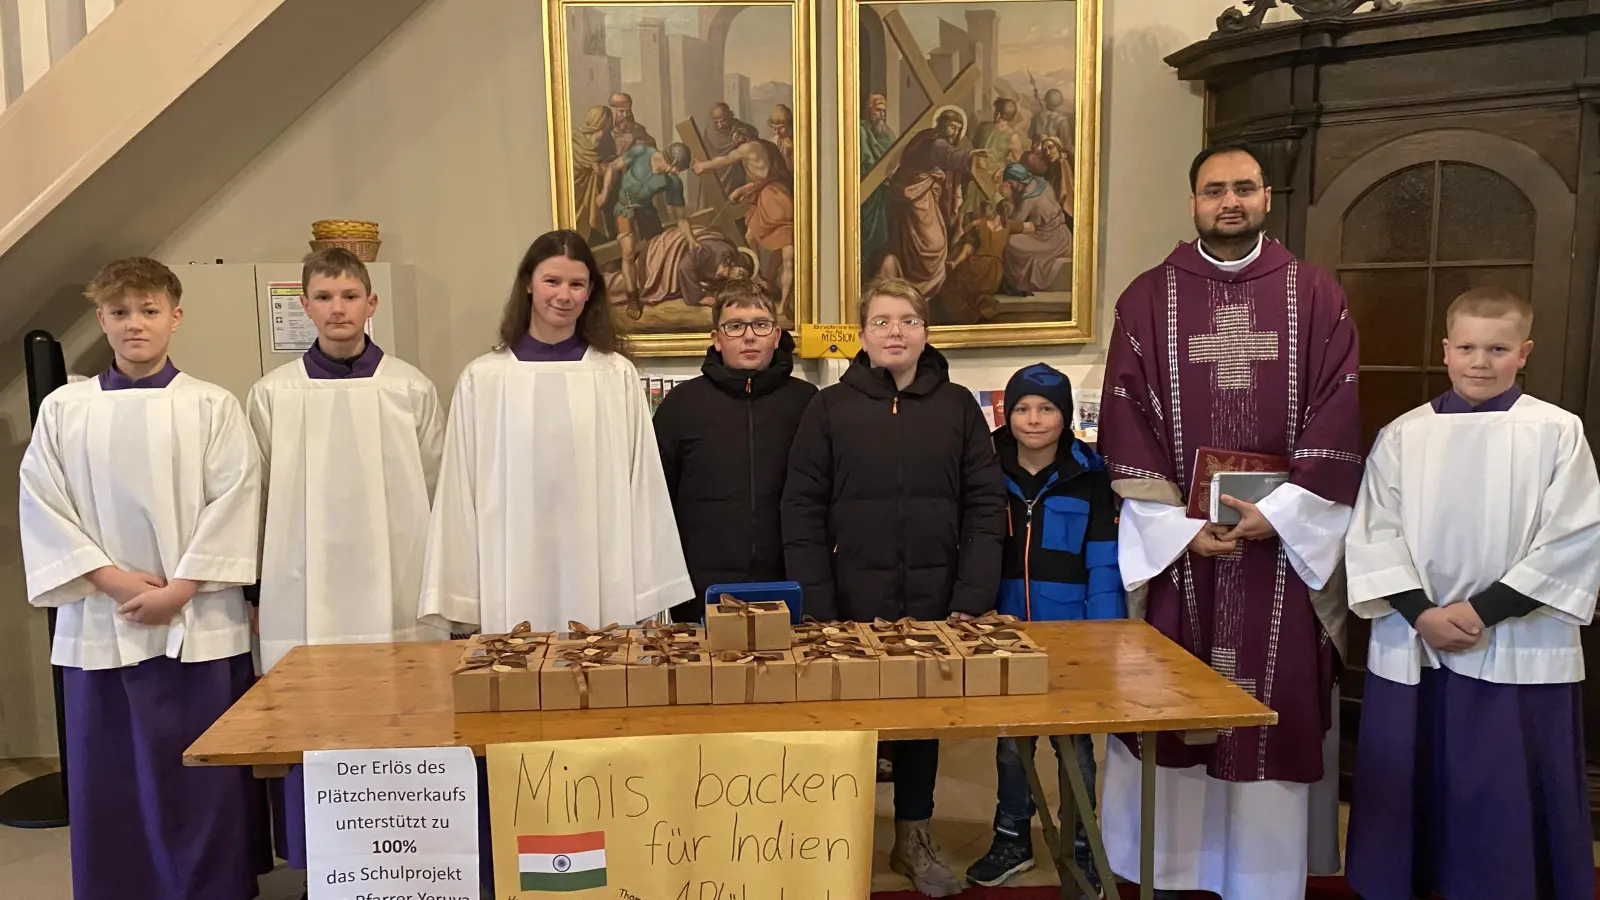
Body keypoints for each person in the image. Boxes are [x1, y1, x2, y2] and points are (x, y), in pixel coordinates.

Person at [1096, 142, 1364, 900]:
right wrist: (1185, 529)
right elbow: (1127, 416)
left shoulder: (1314, 295)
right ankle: (1175, 872)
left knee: (1272, 708)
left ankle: (1259, 879)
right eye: (1215, 190)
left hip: (1279, 553)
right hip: (1186, 554)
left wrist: (1277, 515)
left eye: (1243, 188)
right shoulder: (1147, 299)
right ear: (1193, 203)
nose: (1230, 202)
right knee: (1171, 706)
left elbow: (1337, 413)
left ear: (1267, 196)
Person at [18, 257, 269, 900]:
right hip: (102, 620)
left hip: (199, 621)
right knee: (113, 775)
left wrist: (181, 589)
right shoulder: (64, 409)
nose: (136, 324)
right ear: (101, 319)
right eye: (121, 312)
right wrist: (116, 582)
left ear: (175, 317)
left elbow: (237, 498)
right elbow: (44, 504)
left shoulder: (211, 405)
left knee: (201, 775)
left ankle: (214, 887)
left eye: (149, 310)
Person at [1344, 287, 1600, 900]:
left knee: (1502, 784)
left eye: (1497, 348)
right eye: (1466, 347)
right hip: (1418, 637)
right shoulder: (1404, 434)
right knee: (1415, 780)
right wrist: (1422, 615)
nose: (1480, 361)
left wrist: (1481, 611)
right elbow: (1374, 533)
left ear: (1524, 353)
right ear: (1446, 350)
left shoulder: (1557, 431)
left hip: (1516, 636)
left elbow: (1573, 538)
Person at [783, 277, 1006, 897]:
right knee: (850, 721)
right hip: (852, 597)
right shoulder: (829, 408)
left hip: (936, 601)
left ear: (925, 332)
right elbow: (801, 509)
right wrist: (819, 605)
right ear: (862, 335)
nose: (895, 332)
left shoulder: (958, 406)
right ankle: (839, 841)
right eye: (881, 321)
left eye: (907, 320)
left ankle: (915, 837)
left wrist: (971, 596)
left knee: (920, 722)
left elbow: (986, 505)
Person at [246, 248, 445, 877]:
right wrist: (254, 592)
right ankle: (326, 868)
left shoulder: (410, 387)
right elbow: (255, 497)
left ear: (371, 303)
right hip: (304, 588)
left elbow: (440, 490)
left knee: (405, 717)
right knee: (315, 722)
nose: (338, 309)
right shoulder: (273, 394)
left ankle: (414, 863)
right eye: (325, 297)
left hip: (400, 585)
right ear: (303, 306)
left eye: (350, 296)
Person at [419, 229, 691, 636]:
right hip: (510, 568)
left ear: (590, 293)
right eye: (552, 281)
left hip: (600, 569)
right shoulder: (486, 378)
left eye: (576, 284)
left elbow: (643, 486)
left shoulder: (613, 375)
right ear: (528, 283)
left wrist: (647, 586)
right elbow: (460, 490)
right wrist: (463, 593)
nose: (563, 295)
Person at [964, 363, 1122, 892]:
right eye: (1022, 408)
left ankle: (1082, 845)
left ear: (1066, 416)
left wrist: (1106, 633)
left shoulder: (1091, 477)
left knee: (1075, 748)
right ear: (1006, 414)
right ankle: (1011, 837)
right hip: (1004, 631)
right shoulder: (983, 470)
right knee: (1012, 744)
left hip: (1072, 635)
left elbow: (1103, 561)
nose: (1033, 420)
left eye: (1046, 409)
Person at [653, 279, 817, 621]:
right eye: (735, 326)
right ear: (716, 338)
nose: (749, 336)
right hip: (701, 584)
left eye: (760, 324)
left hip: (789, 579)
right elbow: (657, 500)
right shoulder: (681, 405)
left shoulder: (809, 403)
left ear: (776, 335)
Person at [880, 110, 988, 298]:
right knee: (932, 243)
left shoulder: (925, 137)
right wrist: (971, 156)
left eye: (958, 129)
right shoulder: (934, 142)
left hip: (920, 194)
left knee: (921, 240)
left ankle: (919, 283)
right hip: (916, 194)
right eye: (952, 127)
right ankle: (922, 283)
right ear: (942, 123)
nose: (954, 132)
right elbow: (949, 156)